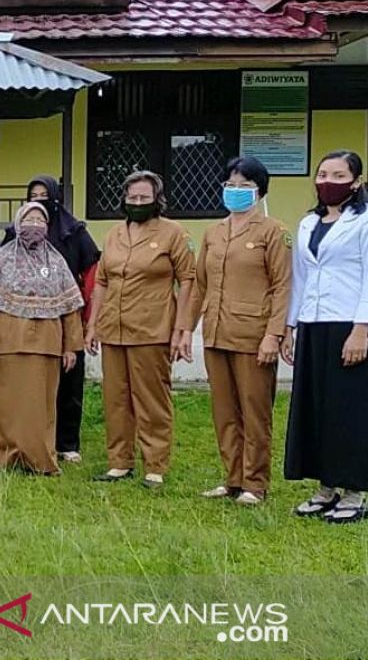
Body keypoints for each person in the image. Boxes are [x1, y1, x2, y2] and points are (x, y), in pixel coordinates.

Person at [185, 157, 290, 507]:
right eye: (231, 185)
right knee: (224, 411)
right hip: (216, 332)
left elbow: (282, 286)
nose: (236, 192)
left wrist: (273, 335)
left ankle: (255, 483)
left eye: (244, 186)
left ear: (260, 191)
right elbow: (199, 285)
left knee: (255, 411)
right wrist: (187, 328)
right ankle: (232, 478)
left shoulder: (273, 231)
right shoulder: (214, 233)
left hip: (253, 335)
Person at [85, 170, 195, 489]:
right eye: (132, 197)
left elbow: (188, 279)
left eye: (143, 197)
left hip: (152, 328)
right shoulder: (114, 233)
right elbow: (102, 280)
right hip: (113, 328)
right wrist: (93, 323)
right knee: (115, 397)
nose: (137, 202)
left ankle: (155, 465)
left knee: (151, 398)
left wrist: (182, 326)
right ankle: (119, 462)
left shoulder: (174, 233)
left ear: (156, 199)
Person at [283, 150, 368, 524]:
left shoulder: (364, 221)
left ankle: (353, 491)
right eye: (322, 174)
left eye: (338, 175)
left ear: (356, 182)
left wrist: (362, 329)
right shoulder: (307, 224)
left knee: (346, 410)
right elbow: (300, 277)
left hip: (348, 323)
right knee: (314, 406)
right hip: (313, 323)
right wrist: (290, 327)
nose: (327, 182)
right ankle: (325, 487)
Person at [0, 202, 84, 474]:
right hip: (8, 342)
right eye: (28, 219)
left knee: (42, 406)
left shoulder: (57, 262)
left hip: (47, 344)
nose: (34, 225)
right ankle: (10, 457)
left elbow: (70, 308)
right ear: (18, 224)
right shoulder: (0, 259)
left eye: (40, 220)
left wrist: (71, 347)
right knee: (9, 404)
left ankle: (41, 459)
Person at [4, 175, 100, 463]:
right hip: (27, 319)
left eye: (45, 195)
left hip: (67, 315)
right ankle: (33, 438)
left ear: (56, 198)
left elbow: (93, 275)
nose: (39, 201)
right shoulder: (14, 235)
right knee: (34, 382)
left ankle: (67, 442)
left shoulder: (76, 233)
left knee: (69, 380)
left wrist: (88, 319)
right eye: (33, 195)